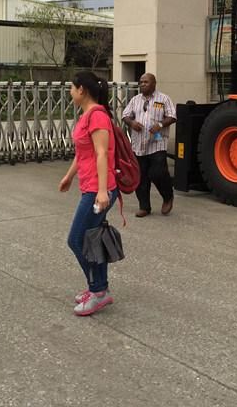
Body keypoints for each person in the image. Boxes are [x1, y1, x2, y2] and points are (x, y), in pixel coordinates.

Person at [59, 71, 120, 316]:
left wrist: (103, 192)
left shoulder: (97, 117)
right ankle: (98, 289)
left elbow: (102, 154)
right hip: (91, 187)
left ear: (81, 90)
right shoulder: (86, 116)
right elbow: (82, 153)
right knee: (91, 239)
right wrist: (69, 176)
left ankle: (98, 292)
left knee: (77, 239)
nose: (70, 93)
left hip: (98, 190)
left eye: (72, 88)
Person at [122, 73, 176, 217]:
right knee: (140, 177)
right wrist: (132, 123)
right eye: (141, 82)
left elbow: (172, 116)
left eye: (146, 82)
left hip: (157, 143)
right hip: (139, 145)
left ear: (154, 84)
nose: (142, 84)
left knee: (157, 172)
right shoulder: (135, 100)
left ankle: (167, 197)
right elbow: (125, 115)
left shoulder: (163, 99)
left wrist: (160, 124)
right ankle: (144, 207)